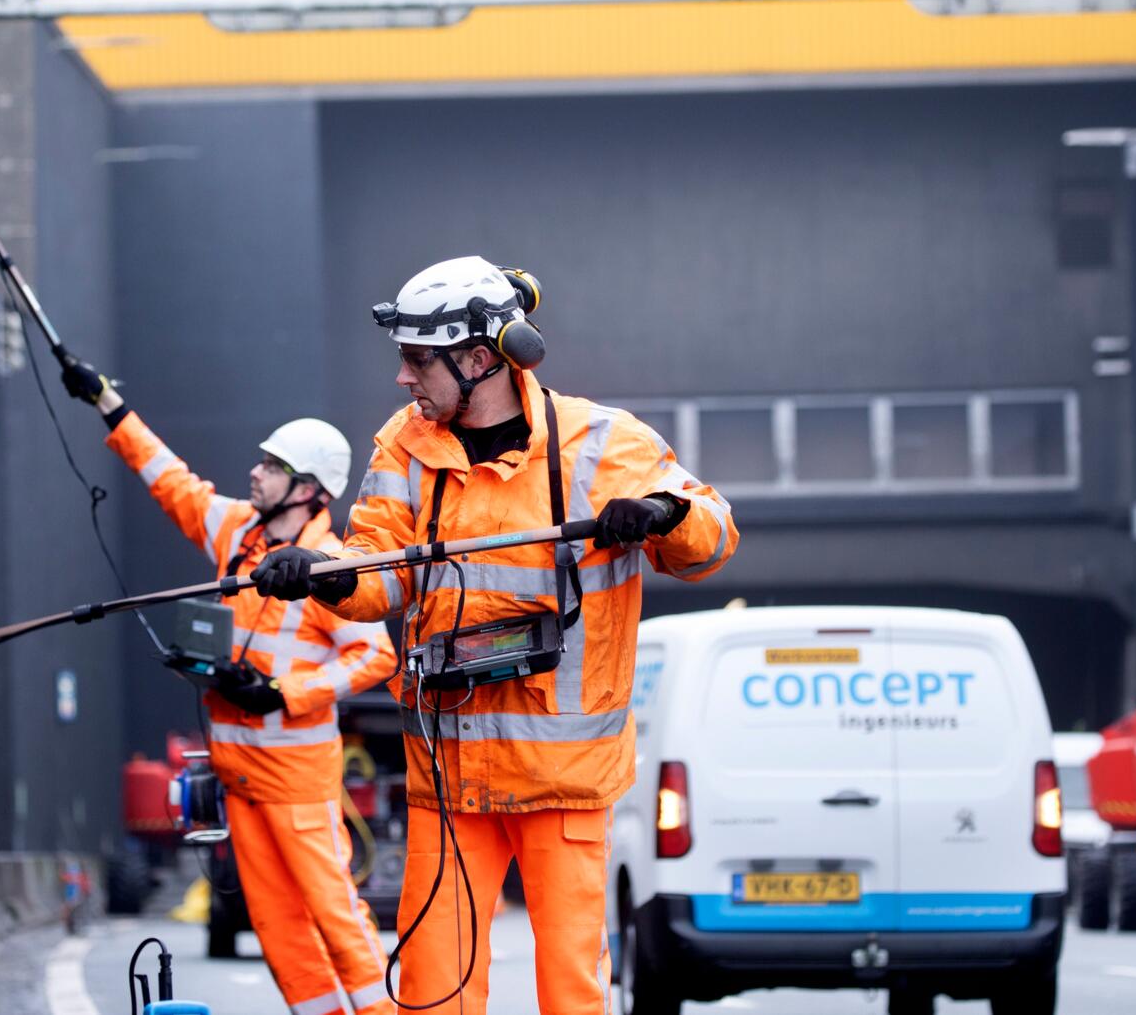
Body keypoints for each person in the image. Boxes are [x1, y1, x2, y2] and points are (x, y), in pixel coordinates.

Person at [251, 255, 738, 1015]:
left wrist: (661, 516)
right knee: (433, 994)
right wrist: (321, 572)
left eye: (418, 361)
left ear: (479, 359)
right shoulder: (406, 444)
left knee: (572, 995)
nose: (404, 379)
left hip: (564, 784)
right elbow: (379, 567)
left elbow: (711, 539)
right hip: (450, 778)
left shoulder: (605, 443)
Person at [61, 357, 397, 1015]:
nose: (255, 472)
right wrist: (107, 404)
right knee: (279, 933)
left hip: (298, 778)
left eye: (271, 467)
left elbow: (374, 654)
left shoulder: (329, 568)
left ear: (307, 491)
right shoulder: (235, 530)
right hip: (240, 776)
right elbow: (169, 479)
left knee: (337, 919)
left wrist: (282, 692)